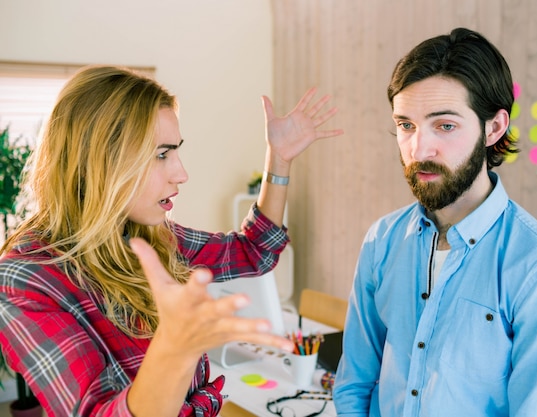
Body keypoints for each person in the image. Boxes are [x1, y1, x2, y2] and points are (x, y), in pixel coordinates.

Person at [0, 65, 343, 417]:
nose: (182, 173)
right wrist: (175, 349)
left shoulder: (150, 236)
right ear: (101, 159)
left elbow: (253, 251)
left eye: (176, 151)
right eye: (162, 154)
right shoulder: (27, 279)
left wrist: (279, 160)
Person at [333, 27, 537, 417]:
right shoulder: (381, 241)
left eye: (445, 126)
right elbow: (355, 384)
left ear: (494, 127)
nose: (419, 148)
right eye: (406, 126)